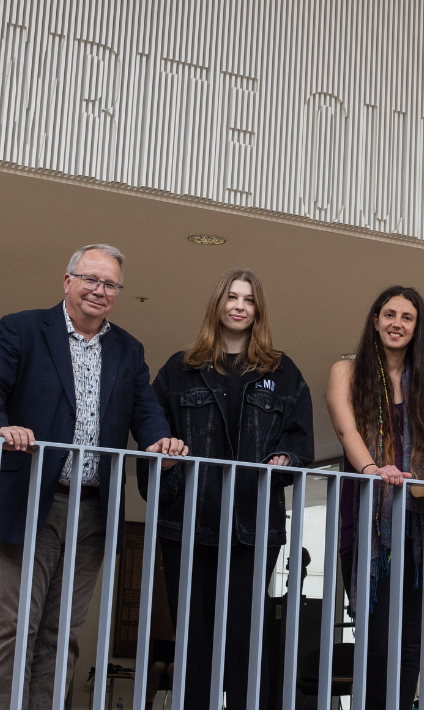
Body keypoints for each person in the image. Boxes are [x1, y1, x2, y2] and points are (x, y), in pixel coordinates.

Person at [0, 244, 188, 710]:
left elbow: (145, 412)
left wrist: (160, 442)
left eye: (110, 284)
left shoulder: (128, 348)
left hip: (94, 509)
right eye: (91, 279)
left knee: (63, 630)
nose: (99, 290)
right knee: (17, 624)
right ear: (67, 281)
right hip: (31, 500)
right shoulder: (24, 328)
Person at [145, 268, 314, 710]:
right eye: (232, 297)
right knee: (193, 633)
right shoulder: (180, 369)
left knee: (245, 633)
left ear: (258, 310)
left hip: (254, 526)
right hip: (187, 523)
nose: (239, 306)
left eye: (249, 299)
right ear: (218, 305)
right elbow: (153, 430)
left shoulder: (284, 370)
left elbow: (300, 440)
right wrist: (163, 455)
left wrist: (286, 460)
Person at [326, 286, 424, 710]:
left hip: (422, 531)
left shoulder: (423, 386)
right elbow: (347, 431)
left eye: (407, 317)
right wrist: (372, 470)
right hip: (369, 526)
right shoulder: (346, 372)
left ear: (416, 328)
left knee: (410, 649)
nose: (397, 323)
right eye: (389, 314)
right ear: (375, 319)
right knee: (379, 644)